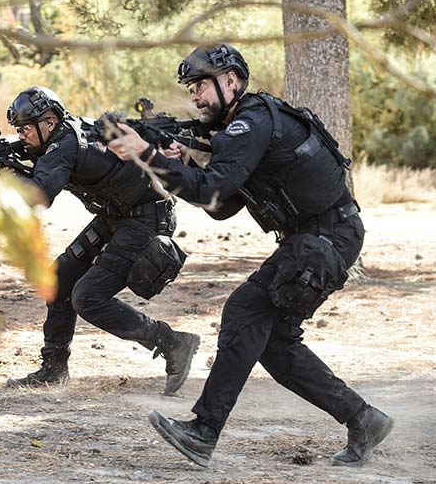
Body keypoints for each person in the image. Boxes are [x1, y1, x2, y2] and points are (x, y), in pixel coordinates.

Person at [107, 44, 394, 467]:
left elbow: (212, 191)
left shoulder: (252, 121)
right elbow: (221, 207)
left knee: (245, 311)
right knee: (274, 342)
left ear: (231, 81)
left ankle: (204, 431)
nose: (195, 96)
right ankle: (364, 419)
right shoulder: (243, 128)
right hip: (317, 237)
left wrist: (148, 155)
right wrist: (181, 163)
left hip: (325, 236)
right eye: (191, 89)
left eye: (200, 85)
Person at [3, 86, 201, 396]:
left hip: (146, 218)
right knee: (59, 279)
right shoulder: (61, 136)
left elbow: (40, 195)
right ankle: (54, 367)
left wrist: (4, 176)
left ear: (50, 122)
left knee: (88, 297)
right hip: (116, 216)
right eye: (18, 130)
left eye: (26, 128)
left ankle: (172, 342)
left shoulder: (64, 145)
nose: (22, 135)